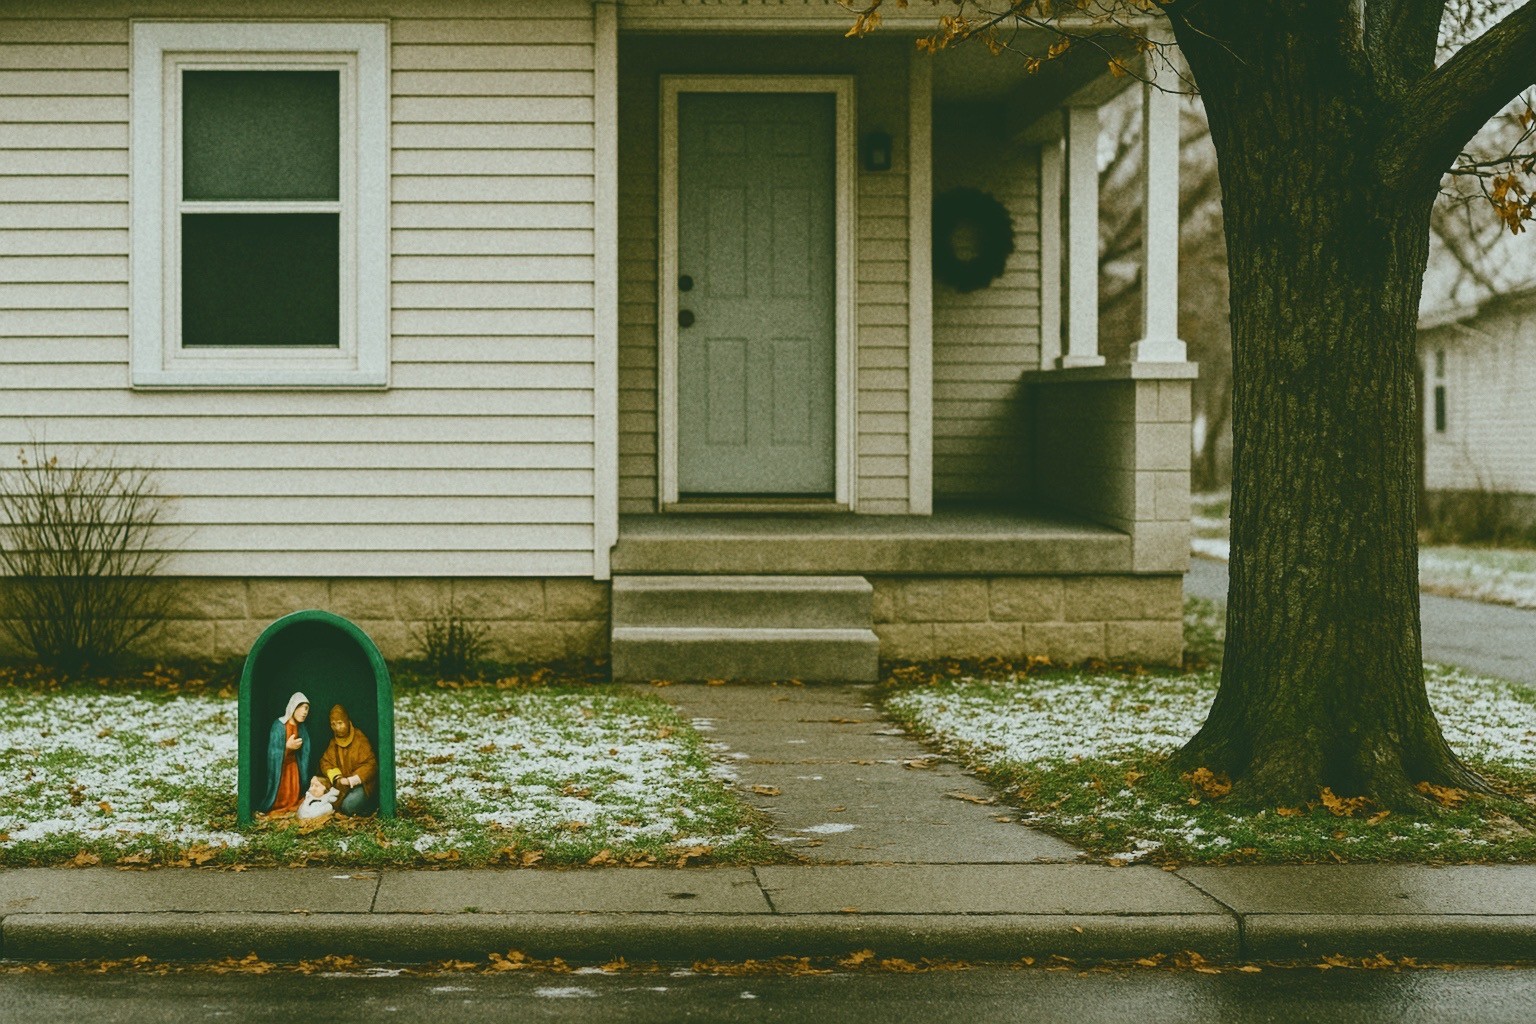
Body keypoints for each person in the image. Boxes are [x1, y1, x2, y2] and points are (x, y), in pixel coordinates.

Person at [318, 704, 378, 817]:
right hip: (341, 785)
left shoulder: (360, 739)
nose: (337, 728)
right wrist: (337, 777)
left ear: (347, 721)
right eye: (333, 724)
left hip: (361, 785)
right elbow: (325, 762)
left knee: (348, 806)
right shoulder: (333, 743)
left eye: (340, 723)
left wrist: (352, 780)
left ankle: (366, 807)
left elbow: (371, 765)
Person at [261, 692, 310, 816]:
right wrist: (287, 747)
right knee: (281, 797)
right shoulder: (278, 726)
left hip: (294, 768)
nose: (304, 712)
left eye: (307, 709)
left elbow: (305, 750)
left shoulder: (302, 728)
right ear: (293, 707)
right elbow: (272, 752)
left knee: (293, 796)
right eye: (301, 707)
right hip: (281, 769)